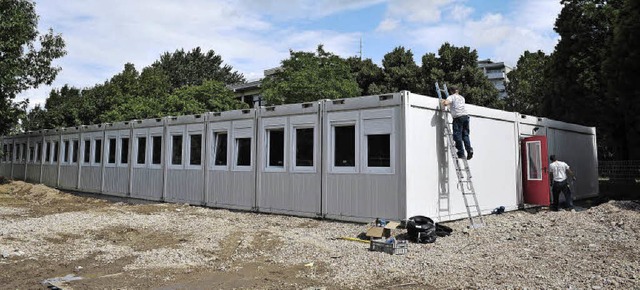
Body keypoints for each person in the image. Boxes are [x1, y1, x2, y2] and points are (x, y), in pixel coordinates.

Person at [440, 86, 473, 160]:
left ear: (451, 91)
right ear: (457, 91)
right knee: (465, 135)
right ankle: (469, 149)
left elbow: (446, 103)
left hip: (458, 118)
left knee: (457, 136)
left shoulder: (451, 97)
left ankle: (461, 153)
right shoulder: (462, 98)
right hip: (466, 117)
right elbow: (455, 105)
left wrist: (442, 101)